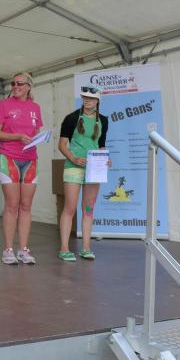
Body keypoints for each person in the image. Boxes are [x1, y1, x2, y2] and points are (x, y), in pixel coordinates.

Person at [0, 72, 43, 265]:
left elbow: (36, 132)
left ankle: (24, 249)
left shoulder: (35, 107)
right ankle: (8, 249)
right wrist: (18, 137)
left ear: (29, 86)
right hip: (9, 158)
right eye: (13, 83)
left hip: (30, 160)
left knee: (26, 206)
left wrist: (39, 138)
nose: (15, 86)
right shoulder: (4, 105)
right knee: (12, 205)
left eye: (19, 83)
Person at [57, 85, 109, 262]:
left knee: (88, 209)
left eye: (91, 98)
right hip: (73, 167)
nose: (87, 100)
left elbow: (101, 145)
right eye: (84, 97)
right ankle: (64, 249)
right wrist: (73, 158)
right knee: (70, 208)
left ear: (98, 100)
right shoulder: (71, 118)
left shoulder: (104, 120)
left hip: (94, 169)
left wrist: (105, 158)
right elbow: (62, 145)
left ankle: (86, 248)